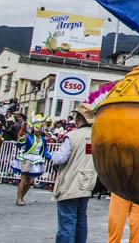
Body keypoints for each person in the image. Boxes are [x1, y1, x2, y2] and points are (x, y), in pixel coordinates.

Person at [51, 104, 97, 243]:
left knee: (67, 220)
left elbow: (61, 158)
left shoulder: (72, 136)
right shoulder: (97, 136)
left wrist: (52, 155)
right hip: (87, 182)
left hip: (70, 183)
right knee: (81, 219)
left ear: (79, 118)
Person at [12, 114, 51, 206]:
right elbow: (19, 145)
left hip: (36, 160)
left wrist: (52, 157)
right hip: (27, 158)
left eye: (40, 127)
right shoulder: (28, 136)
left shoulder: (43, 139)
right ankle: (19, 199)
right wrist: (21, 139)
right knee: (24, 179)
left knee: (30, 181)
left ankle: (21, 197)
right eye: (37, 127)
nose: (39, 129)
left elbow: (45, 151)